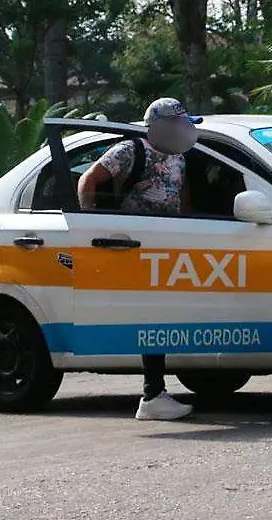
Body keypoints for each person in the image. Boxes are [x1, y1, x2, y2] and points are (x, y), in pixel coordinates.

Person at [77, 97, 201, 421]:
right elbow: (88, 181)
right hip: (137, 244)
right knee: (153, 316)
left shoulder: (180, 156)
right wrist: (90, 225)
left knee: (163, 316)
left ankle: (156, 392)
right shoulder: (131, 150)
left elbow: (181, 197)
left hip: (168, 244)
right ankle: (153, 394)